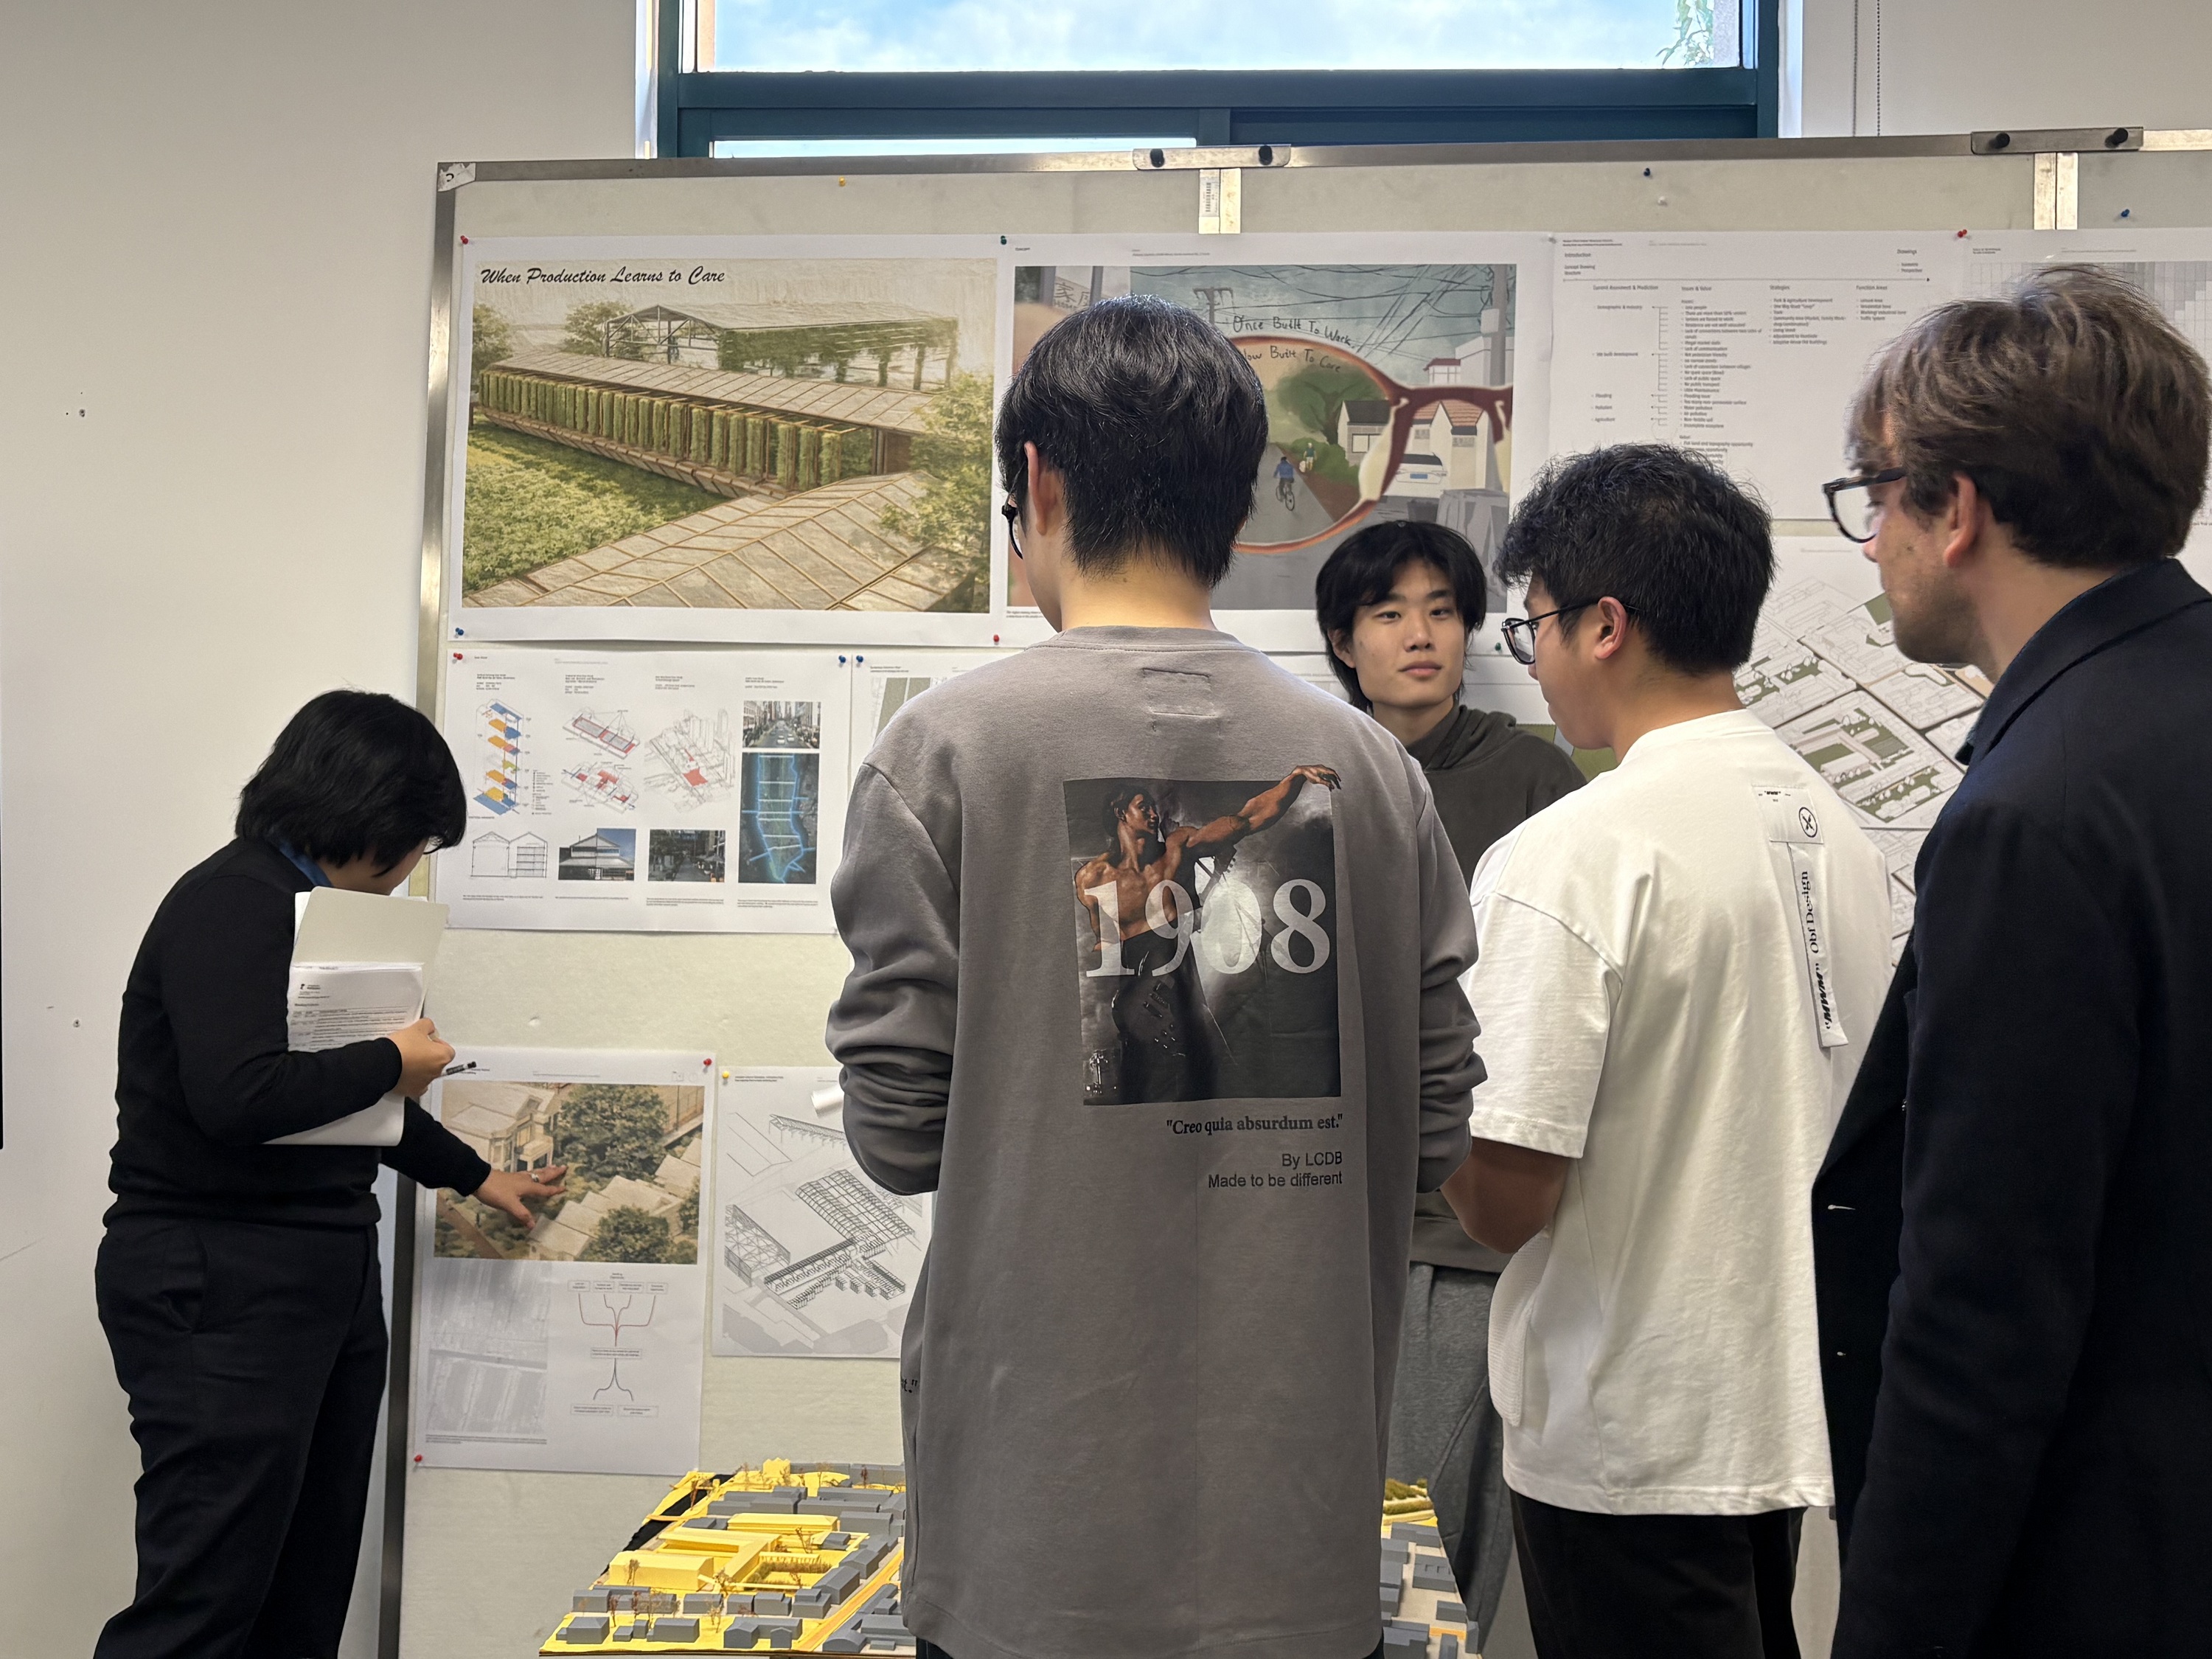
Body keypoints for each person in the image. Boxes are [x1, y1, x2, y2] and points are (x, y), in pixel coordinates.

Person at [827, 294, 1484, 1659]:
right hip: (1295, 1542)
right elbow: (1434, 1135)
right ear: (1237, 501)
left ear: (1039, 484)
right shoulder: (1376, 772)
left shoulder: (943, 754)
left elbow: (897, 1135)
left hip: (1032, 1547)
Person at [1814, 268, 2212, 1656]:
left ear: (1959, 509)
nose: (1873, 540)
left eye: (1877, 494)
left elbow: (1985, 1310)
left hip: (2099, 1563)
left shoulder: (2035, 812)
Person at [1440, 445, 1891, 1659]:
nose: (1533, 661)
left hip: (1629, 1433)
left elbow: (1505, 1203)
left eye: (1532, 624)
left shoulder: (1575, 850)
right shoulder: (1832, 826)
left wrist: (1414, 1069)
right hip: (1784, 1414)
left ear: (1604, 625)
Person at [97, 689, 565, 1659]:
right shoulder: (235, 899)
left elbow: (334, 1102)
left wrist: (476, 1175)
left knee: (302, 1595)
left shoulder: (311, 912)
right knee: (203, 1602)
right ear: (369, 818)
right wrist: (391, 1058)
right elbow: (240, 1097)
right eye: (417, 845)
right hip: (220, 1278)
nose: (409, 871)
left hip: (319, 1274)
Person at [1316, 518, 1584, 1642]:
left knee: (1421, 1554)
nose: (1420, 634)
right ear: (1345, 642)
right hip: (1316, 1224)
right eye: (1388, 613)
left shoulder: (1535, 778)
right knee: (1317, 1539)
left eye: (1441, 610)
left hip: (1462, 1226)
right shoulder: (1313, 778)